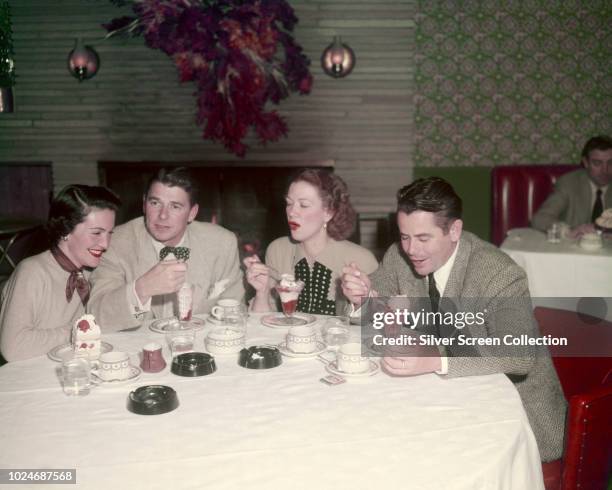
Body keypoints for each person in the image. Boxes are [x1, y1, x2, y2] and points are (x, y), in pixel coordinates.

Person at [341, 177, 566, 462]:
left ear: (455, 230)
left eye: (424, 238)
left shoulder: (499, 273)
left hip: (515, 415)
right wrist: (360, 297)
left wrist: (436, 359)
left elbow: (518, 356)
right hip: (443, 398)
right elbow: (370, 307)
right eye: (405, 236)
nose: (411, 249)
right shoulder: (399, 257)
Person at [88, 167, 244, 330]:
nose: (162, 215)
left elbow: (234, 311)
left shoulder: (221, 242)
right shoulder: (115, 242)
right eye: (155, 203)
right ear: (144, 204)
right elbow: (97, 317)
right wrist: (143, 288)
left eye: (175, 206)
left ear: (192, 213)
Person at [0, 185, 121, 362]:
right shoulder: (32, 273)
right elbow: (13, 348)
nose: (105, 244)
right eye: (96, 233)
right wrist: (80, 331)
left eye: (109, 233)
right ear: (65, 230)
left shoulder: (93, 267)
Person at [244, 169, 378, 316]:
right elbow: (262, 326)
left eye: (304, 205)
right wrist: (261, 292)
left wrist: (362, 303)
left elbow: (377, 328)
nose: (291, 212)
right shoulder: (278, 250)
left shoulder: (361, 259)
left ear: (328, 212)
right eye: (289, 203)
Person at [531, 135, 612, 237]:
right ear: (586, 163)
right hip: (572, 248)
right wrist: (568, 231)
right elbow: (540, 219)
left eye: (610, 163)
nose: (605, 170)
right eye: (597, 163)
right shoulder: (568, 183)